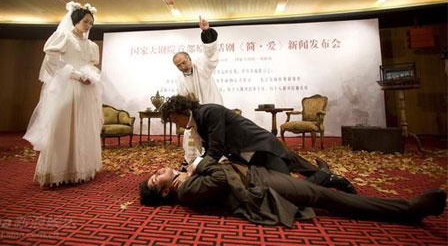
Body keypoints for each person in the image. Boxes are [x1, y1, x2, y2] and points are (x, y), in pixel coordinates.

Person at [139, 156, 447, 227]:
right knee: (328, 199)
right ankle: (409, 210)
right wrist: (198, 163)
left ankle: (323, 176)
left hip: (257, 175)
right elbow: (220, 177)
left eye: (154, 173)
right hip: (261, 188)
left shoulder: (186, 181)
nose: (157, 171)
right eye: (155, 179)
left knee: (312, 186)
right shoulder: (187, 191)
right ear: (165, 193)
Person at [161, 95, 356, 194]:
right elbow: (207, 151)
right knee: (288, 177)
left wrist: (191, 172)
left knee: (289, 183)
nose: (174, 123)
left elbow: (215, 149)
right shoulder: (198, 122)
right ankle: (325, 176)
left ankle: (326, 177)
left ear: (183, 110)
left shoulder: (209, 112)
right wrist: (188, 168)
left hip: (259, 145)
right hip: (247, 154)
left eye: (173, 118)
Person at [24, 1, 103, 187]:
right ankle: (56, 172)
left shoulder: (91, 45)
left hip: (86, 90)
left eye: (91, 23)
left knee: (83, 126)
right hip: (67, 86)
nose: (88, 26)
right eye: (86, 21)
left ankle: (80, 169)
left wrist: (90, 76)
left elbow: (91, 65)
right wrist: (76, 75)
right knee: (63, 126)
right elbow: (52, 63)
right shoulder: (64, 37)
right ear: (75, 20)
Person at [173, 16, 223, 165]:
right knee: (192, 137)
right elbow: (183, 99)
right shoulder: (180, 79)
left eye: (184, 62)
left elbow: (210, 54)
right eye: (179, 65)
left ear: (189, 59)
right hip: (196, 116)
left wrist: (206, 32)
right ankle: (193, 161)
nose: (183, 67)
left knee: (215, 139)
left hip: (212, 109)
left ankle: (216, 161)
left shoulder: (201, 65)